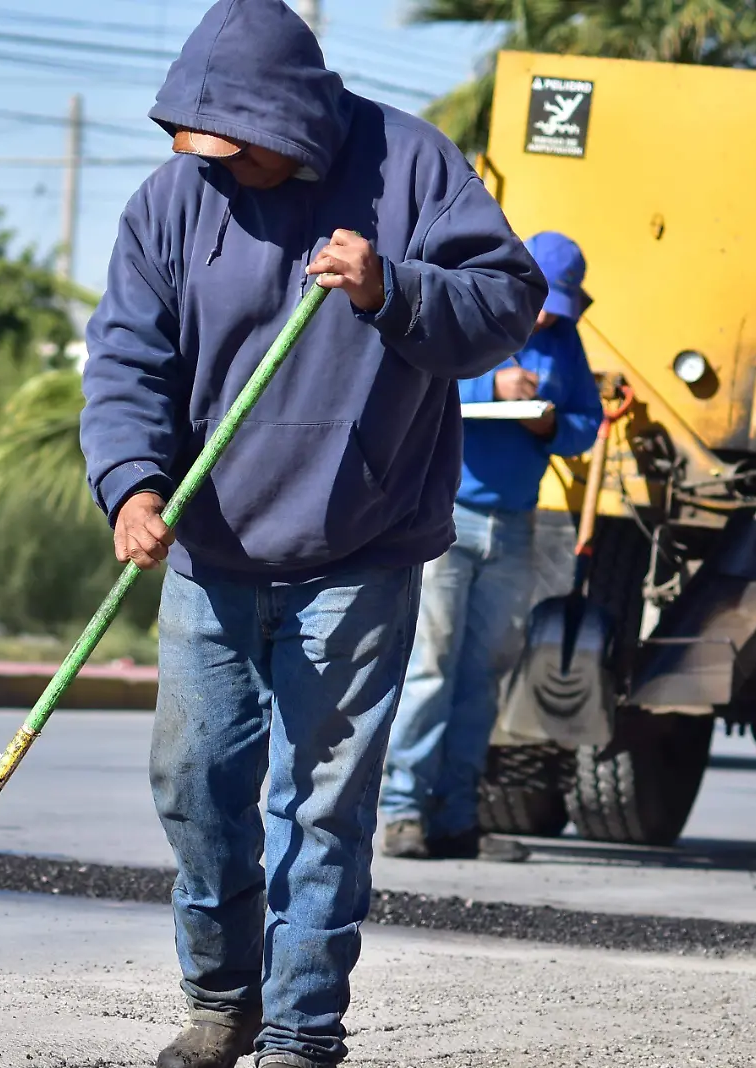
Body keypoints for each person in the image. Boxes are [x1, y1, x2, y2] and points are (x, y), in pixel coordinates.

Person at [78, 3, 546, 1066]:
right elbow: (125, 363)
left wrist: (393, 288)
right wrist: (132, 488)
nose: (221, 164)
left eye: (238, 144)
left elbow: (507, 303)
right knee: (195, 785)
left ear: (289, 116)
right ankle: (218, 997)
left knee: (320, 803)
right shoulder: (170, 203)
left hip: (357, 544)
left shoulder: (413, 168)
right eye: (202, 144)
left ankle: (299, 1026)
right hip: (208, 549)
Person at [379, 232, 603, 861]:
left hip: (514, 525)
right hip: (448, 516)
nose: (542, 317)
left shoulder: (564, 341)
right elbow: (421, 382)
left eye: (555, 307)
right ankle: (403, 814)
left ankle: (457, 818)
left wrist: (550, 421)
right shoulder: (471, 312)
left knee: (483, 674)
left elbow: (585, 423)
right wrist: (491, 390)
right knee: (431, 667)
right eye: (540, 301)